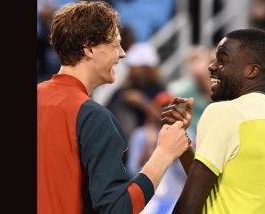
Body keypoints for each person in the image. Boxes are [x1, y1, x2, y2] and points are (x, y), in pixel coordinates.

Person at [37, 2, 190, 214]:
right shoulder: (93, 117)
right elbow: (117, 209)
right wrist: (164, 153)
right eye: (116, 44)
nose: (122, 54)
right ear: (89, 48)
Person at [161, 28, 265, 213]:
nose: (211, 66)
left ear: (252, 70)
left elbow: (189, 206)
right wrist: (183, 141)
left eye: (222, 60)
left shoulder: (224, 113)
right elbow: (216, 187)